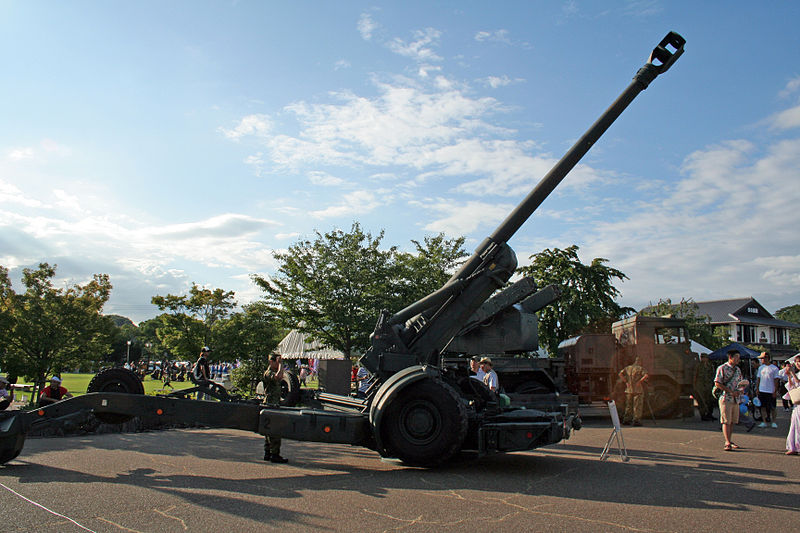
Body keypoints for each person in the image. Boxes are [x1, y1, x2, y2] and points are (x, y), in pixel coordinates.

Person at [715, 349, 744, 451]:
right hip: (725, 398)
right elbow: (717, 383)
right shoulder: (722, 368)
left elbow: (740, 382)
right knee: (726, 421)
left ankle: (730, 440)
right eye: (736, 357)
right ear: (730, 357)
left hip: (735, 398)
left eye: (739, 358)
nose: (738, 360)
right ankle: (727, 441)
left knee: (732, 421)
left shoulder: (738, 370)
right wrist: (730, 391)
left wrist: (741, 390)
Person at [262, 352, 288, 463]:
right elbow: (279, 377)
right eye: (276, 362)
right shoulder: (268, 373)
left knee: (269, 431)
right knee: (274, 430)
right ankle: (274, 454)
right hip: (270, 403)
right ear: (271, 362)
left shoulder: (272, 371)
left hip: (274, 403)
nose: (278, 364)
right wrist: (281, 364)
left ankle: (268, 453)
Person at [619, 356, 649, 426]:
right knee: (637, 405)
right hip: (637, 390)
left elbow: (620, 374)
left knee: (628, 405)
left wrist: (626, 382)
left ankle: (626, 420)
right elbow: (646, 375)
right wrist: (640, 381)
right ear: (640, 362)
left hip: (629, 389)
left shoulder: (628, 368)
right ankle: (636, 421)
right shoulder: (640, 368)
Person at [755, 352, 780, 428]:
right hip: (762, 390)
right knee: (763, 407)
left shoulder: (774, 368)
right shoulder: (760, 368)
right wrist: (757, 388)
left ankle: (774, 422)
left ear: (767, 358)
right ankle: (764, 421)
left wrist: (775, 391)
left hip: (770, 390)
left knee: (773, 407)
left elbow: (776, 381)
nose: (762, 360)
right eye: (761, 358)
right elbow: (758, 379)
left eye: (763, 358)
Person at [782, 357, 800, 455]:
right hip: (797, 404)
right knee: (795, 425)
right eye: (796, 362)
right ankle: (793, 447)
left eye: (799, 362)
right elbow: (792, 386)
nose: (798, 364)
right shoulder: (796, 374)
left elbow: (798, 383)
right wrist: (789, 375)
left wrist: (792, 373)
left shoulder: (796, 374)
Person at [693, 353, 716, 421]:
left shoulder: (710, 366)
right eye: (702, 357)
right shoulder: (698, 366)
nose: (703, 359)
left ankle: (709, 414)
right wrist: (694, 385)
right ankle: (703, 415)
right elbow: (695, 375)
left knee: (710, 401)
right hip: (700, 385)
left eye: (704, 357)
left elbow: (712, 375)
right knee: (702, 401)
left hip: (708, 385)